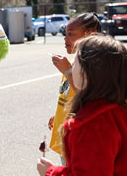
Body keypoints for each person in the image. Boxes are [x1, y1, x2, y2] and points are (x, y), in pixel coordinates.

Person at [37, 35, 127, 175]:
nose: (72, 67)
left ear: (88, 73)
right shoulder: (117, 109)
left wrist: (50, 172)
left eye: (76, 62)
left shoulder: (92, 125)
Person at [48, 13, 101, 163]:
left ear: (89, 34)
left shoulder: (92, 64)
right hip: (66, 135)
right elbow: (69, 93)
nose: (65, 39)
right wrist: (58, 114)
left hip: (79, 139)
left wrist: (68, 72)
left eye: (71, 34)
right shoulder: (74, 60)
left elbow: (89, 99)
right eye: (65, 33)